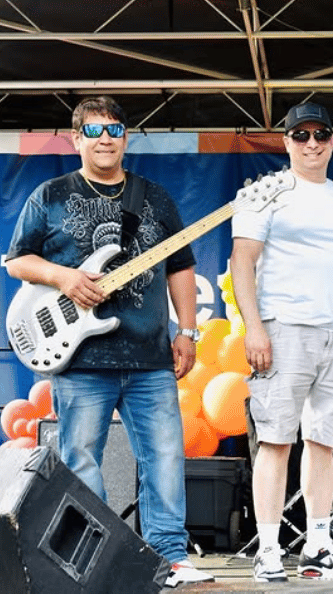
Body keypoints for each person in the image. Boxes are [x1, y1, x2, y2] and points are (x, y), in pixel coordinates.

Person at [5, 96, 213, 587]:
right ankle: (97, 565)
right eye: (94, 131)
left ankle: (169, 558)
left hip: (150, 356)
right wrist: (64, 277)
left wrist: (187, 331)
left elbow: (181, 267)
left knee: (165, 457)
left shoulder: (155, 197)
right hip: (81, 359)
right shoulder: (51, 195)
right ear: (76, 138)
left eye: (114, 130)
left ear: (126, 137)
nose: (105, 139)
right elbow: (17, 261)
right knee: (81, 462)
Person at [229, 101, 333, 583]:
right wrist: (255, 327)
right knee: (275, 441)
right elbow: (241, 262)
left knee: (324, 443)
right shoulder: (265, 192)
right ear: (286, 141)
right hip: (284, 331)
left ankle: (318, 546)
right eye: (301, 135)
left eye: (320, 135)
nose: (311, 143)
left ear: (332, 141)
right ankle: (268, 550)